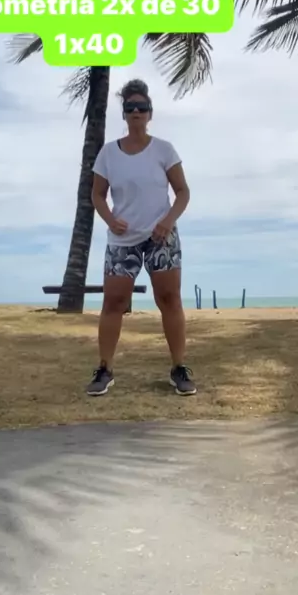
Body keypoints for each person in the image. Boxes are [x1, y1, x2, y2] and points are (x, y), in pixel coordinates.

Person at [87, 78, 197, 397]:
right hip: (123, 242)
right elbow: (97, 195)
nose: (136, 112)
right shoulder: (109, 154)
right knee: (114, 302)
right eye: (130, 107)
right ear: (124, 113)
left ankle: (179, 368)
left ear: (150, 112)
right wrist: (110, 220)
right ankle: (105, 369)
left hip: (161, 237)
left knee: (169, 300)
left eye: (142, 107)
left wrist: (167, 222)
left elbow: (182, 192)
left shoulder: (164, 150)